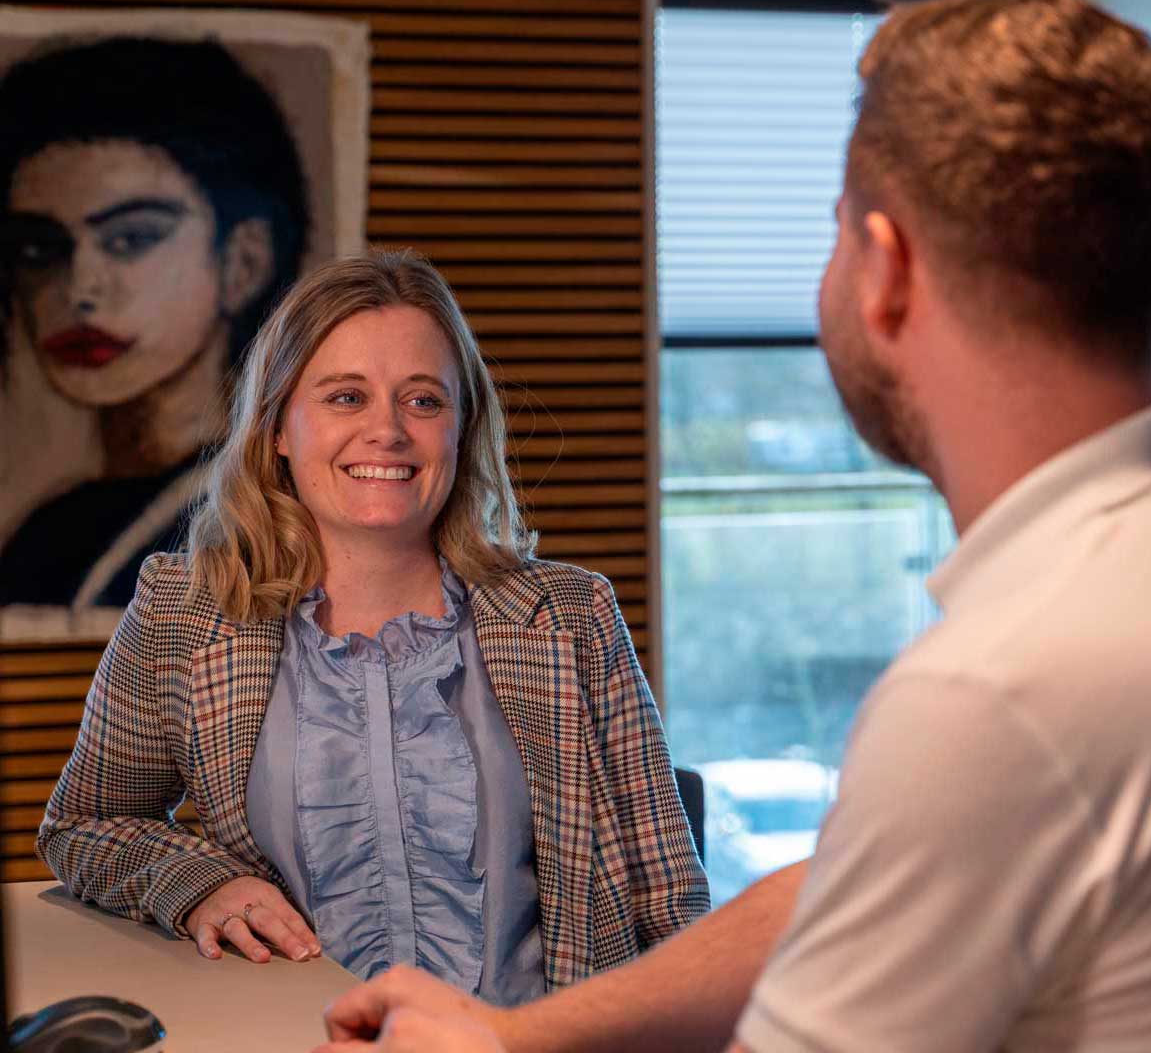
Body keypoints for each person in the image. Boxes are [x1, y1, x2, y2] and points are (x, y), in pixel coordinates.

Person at [314, 0, 1151, 1051]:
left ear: (887, 266)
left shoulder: (1002, 690)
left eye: (832, 235)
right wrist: (519, 1035)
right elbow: (853, 886)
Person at [37, 251, 708, 1003]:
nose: (386, 431)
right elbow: (85, 826)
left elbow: (669, 902)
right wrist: (199, 884)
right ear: (278, 428)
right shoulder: (182, 614)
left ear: (461, 428)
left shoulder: (570, 617)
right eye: (346, 397)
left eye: (423, 400)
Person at [0, 35, 306, 613]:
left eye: (132, 238)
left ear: (243, 263)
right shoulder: (49, 537)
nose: (80, 288)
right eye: (40, 249)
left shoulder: (270, 517)